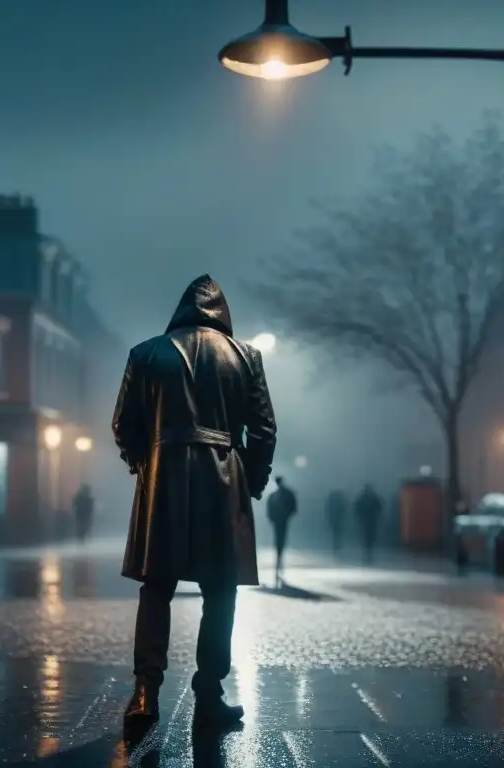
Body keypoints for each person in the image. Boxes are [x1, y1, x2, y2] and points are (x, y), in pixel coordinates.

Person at [114, 274, 277, 731]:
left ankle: (145, 693)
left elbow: (124, 424)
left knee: (156, 586)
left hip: (163, 476)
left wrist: (144, 465)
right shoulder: (245, 357)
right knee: (220, 590)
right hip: (222, 479)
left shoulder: (146, 354)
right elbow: (263, 430)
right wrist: (252, 482)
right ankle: (209, 694)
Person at [266, 477, 296, 586]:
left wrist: (273, 518)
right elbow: (293, 507)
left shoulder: (274, 495)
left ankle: (279, 556)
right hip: (281, 520)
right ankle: (280, 555)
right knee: (280, 539)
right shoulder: (285, 494)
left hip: (279, 520)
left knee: (279, 539)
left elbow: (269, 509)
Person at [355, 484, 384, 564]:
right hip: (372, 520)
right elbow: (379, 508)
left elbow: (357, 508)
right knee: (370, 536)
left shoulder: (362, 498)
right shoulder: (374, 498)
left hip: (365, 520)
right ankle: (369, 550)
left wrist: (359, 517)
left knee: (365, 536)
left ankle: (367, 550)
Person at [325, 489, 348, 554]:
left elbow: (328, 510)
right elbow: (344, 510)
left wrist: (329, 518)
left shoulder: (331, 501)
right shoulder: (341, 501)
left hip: (334, 519)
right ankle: (337, 544)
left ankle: (335, 544)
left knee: (335, 532)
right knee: (339, 532)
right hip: (339, 519)